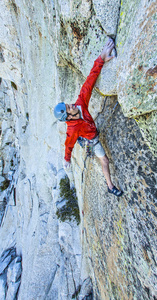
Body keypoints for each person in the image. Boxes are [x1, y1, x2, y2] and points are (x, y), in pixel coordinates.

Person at [54, 39, 123, 197]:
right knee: (104, 160)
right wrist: (66, 160)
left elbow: (89, 83)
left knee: (93, 148)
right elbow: (68, 145)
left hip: (89, 131)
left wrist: (101, 59)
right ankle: (110, 186)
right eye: (68, 108)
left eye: (68, 104)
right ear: (68, 116)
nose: (71, 105)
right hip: (92, 138)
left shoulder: (80, 104)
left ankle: (85, 142)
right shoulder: (72, 128)